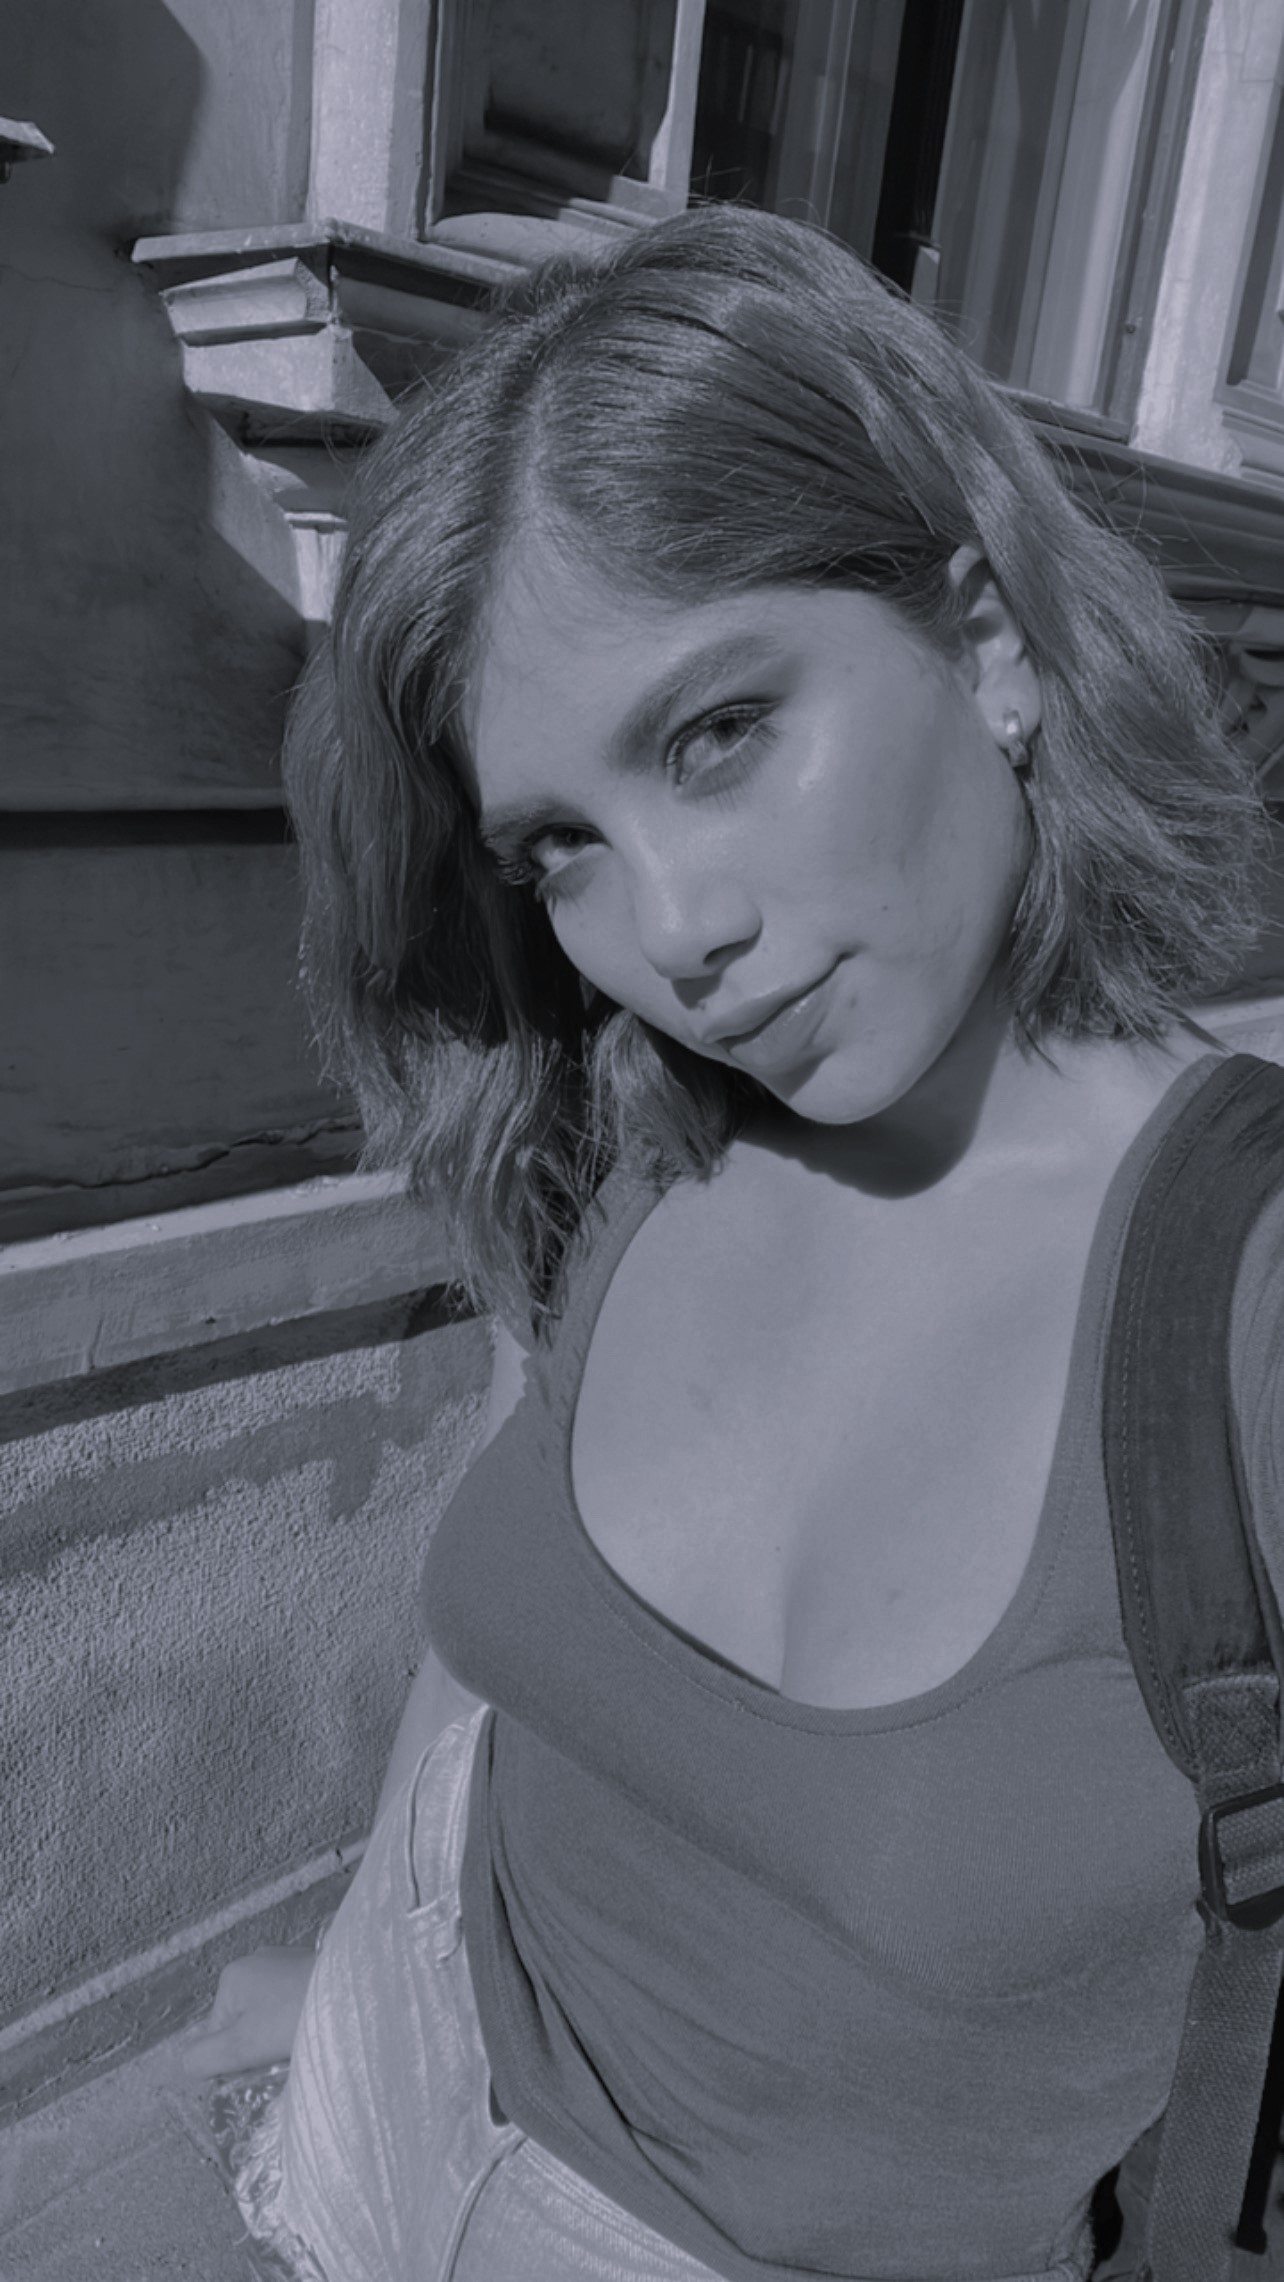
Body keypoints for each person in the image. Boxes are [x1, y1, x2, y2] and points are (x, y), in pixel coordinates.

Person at [182, 205, 1283, 2282]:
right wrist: (355, 1978)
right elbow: (495, 1662)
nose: (674, 931)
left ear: (986, 640)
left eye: (718, 733)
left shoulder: (1243, 1314)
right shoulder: (648, 1136)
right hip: (393, 2101)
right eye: (561, 845)